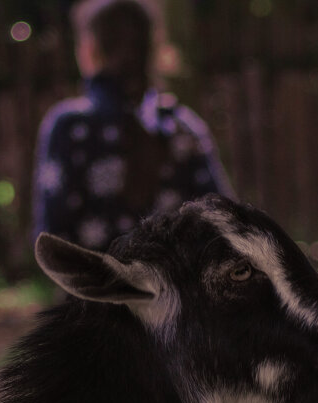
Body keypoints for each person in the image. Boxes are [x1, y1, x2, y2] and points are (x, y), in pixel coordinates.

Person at [32, 0, 234, 250]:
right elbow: (224, 226)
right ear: (155, 50)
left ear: (89, 51)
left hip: (92, 288)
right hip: (174, 289)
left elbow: (51, 240)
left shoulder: (68, 127)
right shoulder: (182, 126)